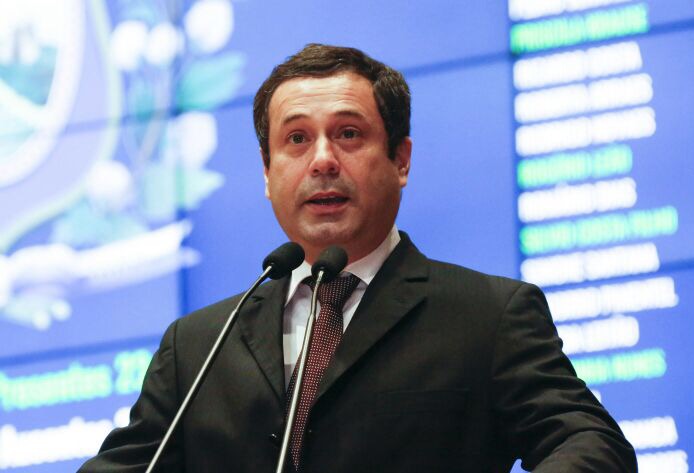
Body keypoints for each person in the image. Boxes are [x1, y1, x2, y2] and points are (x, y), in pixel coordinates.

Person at [80, 44, 637, 472]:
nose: (322, 160)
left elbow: (590, 443)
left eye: (348, 134)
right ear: (268, 173)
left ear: (400, 160)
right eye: (296, 140)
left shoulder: (488, 314)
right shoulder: (198, 346)